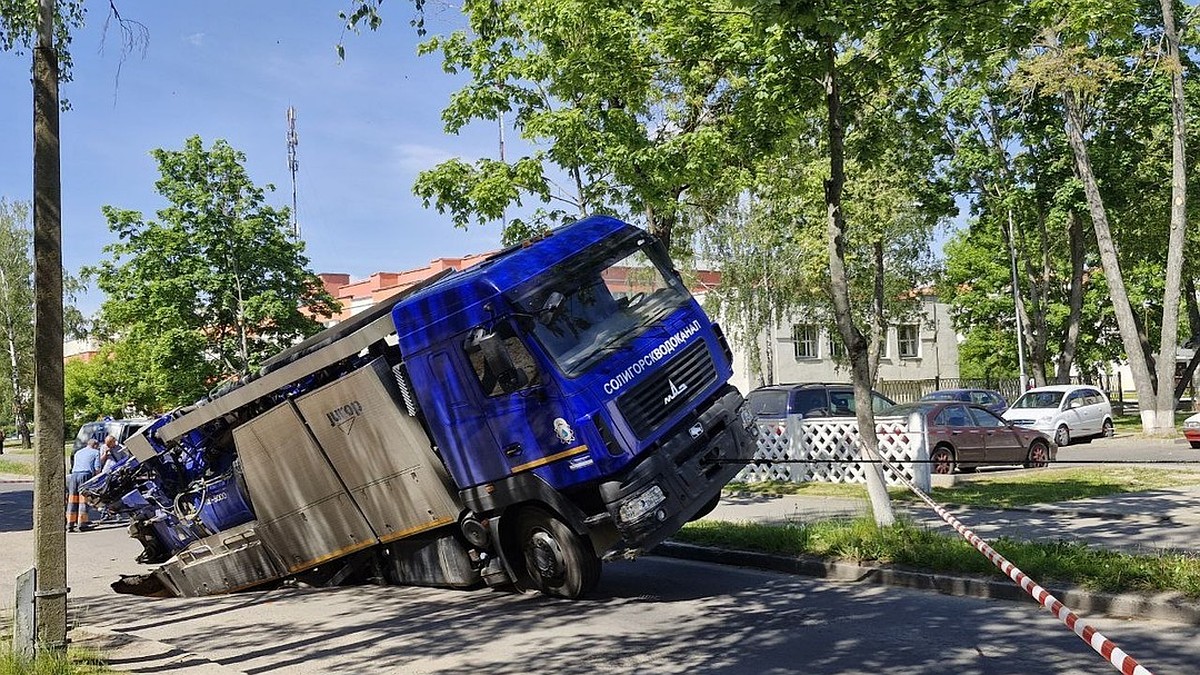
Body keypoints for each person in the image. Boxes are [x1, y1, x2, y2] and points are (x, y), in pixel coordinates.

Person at [67, 438, 102, 532]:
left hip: (74, 475)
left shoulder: (78, 452)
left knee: (72, 499)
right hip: (85, 475)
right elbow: (97, 468)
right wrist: (97, 480)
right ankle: (82, 523)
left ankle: (70, 523)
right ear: (95, 445)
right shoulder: (95, 452)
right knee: (83, 499)